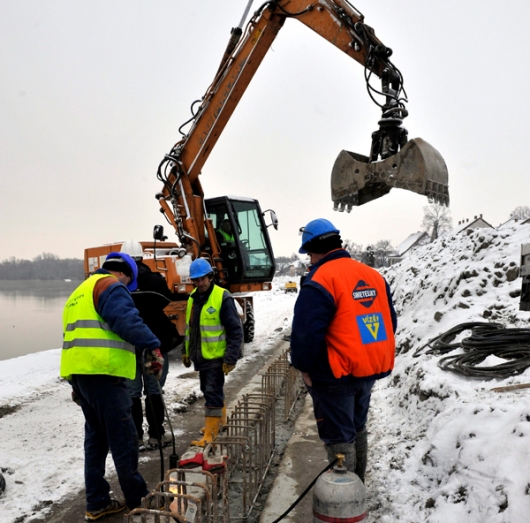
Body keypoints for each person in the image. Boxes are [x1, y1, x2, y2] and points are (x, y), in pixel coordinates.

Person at [290, 218, 397, 483]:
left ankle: (344, 503)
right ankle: (357, 493)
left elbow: (306, 333)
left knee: (339, 439)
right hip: (368, 370)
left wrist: (304, 367)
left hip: (335, 375)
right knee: (357, 429)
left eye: (310, 255)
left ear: (316, 250)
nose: (310, 261)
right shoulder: (373, 276)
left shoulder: (321, 279)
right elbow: (390, 321)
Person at [61, 252, 164, 521]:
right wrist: (153, 345)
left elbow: (73, 340)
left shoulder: (78, 293)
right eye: (129, 284)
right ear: (125, 274)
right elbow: (126, 320)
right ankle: (139, 500)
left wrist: (75, 383)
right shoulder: (110, 285)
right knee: (124, 438)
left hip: (83, 379)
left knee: (96, 441)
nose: (127, 289)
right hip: (105, 377)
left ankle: (96, 503)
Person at [120, 240, 182, 450]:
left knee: (132, 392)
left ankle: (135, 436)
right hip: (153, 344)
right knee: (154, 389)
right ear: (142, 257)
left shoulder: (117, 284)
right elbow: (166, 300)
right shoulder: (154, 281)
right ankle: (157, 435)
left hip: (128, 346)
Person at [182, 258, 243, 447]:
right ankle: (219, 421)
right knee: (208, 390)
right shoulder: (193, 298)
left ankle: (211, 432)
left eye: (203, 279)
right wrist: (186, 352)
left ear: (210, 277)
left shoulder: (222, 297)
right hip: (202, 356)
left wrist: (230, 357)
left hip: (217, 357)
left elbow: (235, 330)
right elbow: (190, 329)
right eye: (196, 280)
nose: (200, 283)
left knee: (211, 392)